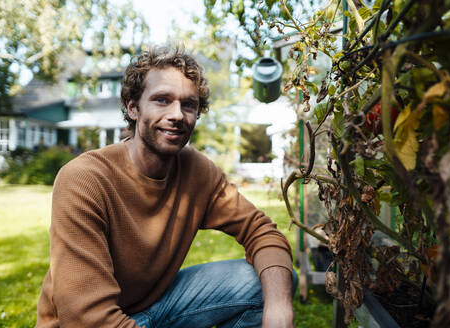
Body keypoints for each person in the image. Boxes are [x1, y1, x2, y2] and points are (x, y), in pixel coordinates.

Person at [36, 46, 297, 328]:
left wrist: (280, 309)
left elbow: (262, 231)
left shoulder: (198, 172)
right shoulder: (84, 179)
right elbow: (86, 318)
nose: (177, 114)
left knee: (271, 280)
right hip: (87, 324)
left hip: (155, 309)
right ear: (132, 107)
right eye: (162, 100)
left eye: (189, 104)